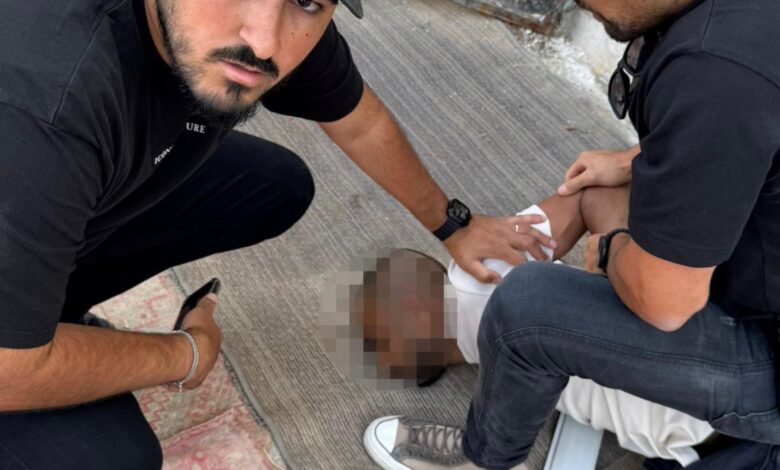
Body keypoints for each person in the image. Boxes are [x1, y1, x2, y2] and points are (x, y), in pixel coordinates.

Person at [0, 0, 555, 468]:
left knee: (275, 186)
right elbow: (9, 375)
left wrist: (454, 225)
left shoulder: (271, 26)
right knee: (116, 458)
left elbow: (360, 121)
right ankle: (30, 327)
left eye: (308, 1)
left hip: (45, 201)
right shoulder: (44, 106)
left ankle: (39, 310)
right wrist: (186, 354)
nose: (263, 42)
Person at [365, 0, 780, 468]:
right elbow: (740, 123)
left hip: (728, 394)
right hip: (750, 302)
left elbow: (664, 304)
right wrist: (634, 161)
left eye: (377, 344)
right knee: (597, 199)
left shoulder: (716, 69)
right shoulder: (740, 31)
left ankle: (483, 458)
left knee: (526, 307)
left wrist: (610, 246)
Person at [356, 179, 713, 468]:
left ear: (414, 311)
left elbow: (597, 192)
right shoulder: (485, 349)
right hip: (702, 410)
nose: (374, 362)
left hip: (694, 404)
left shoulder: (480, 274)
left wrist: (615, 271)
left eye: (373, 342)